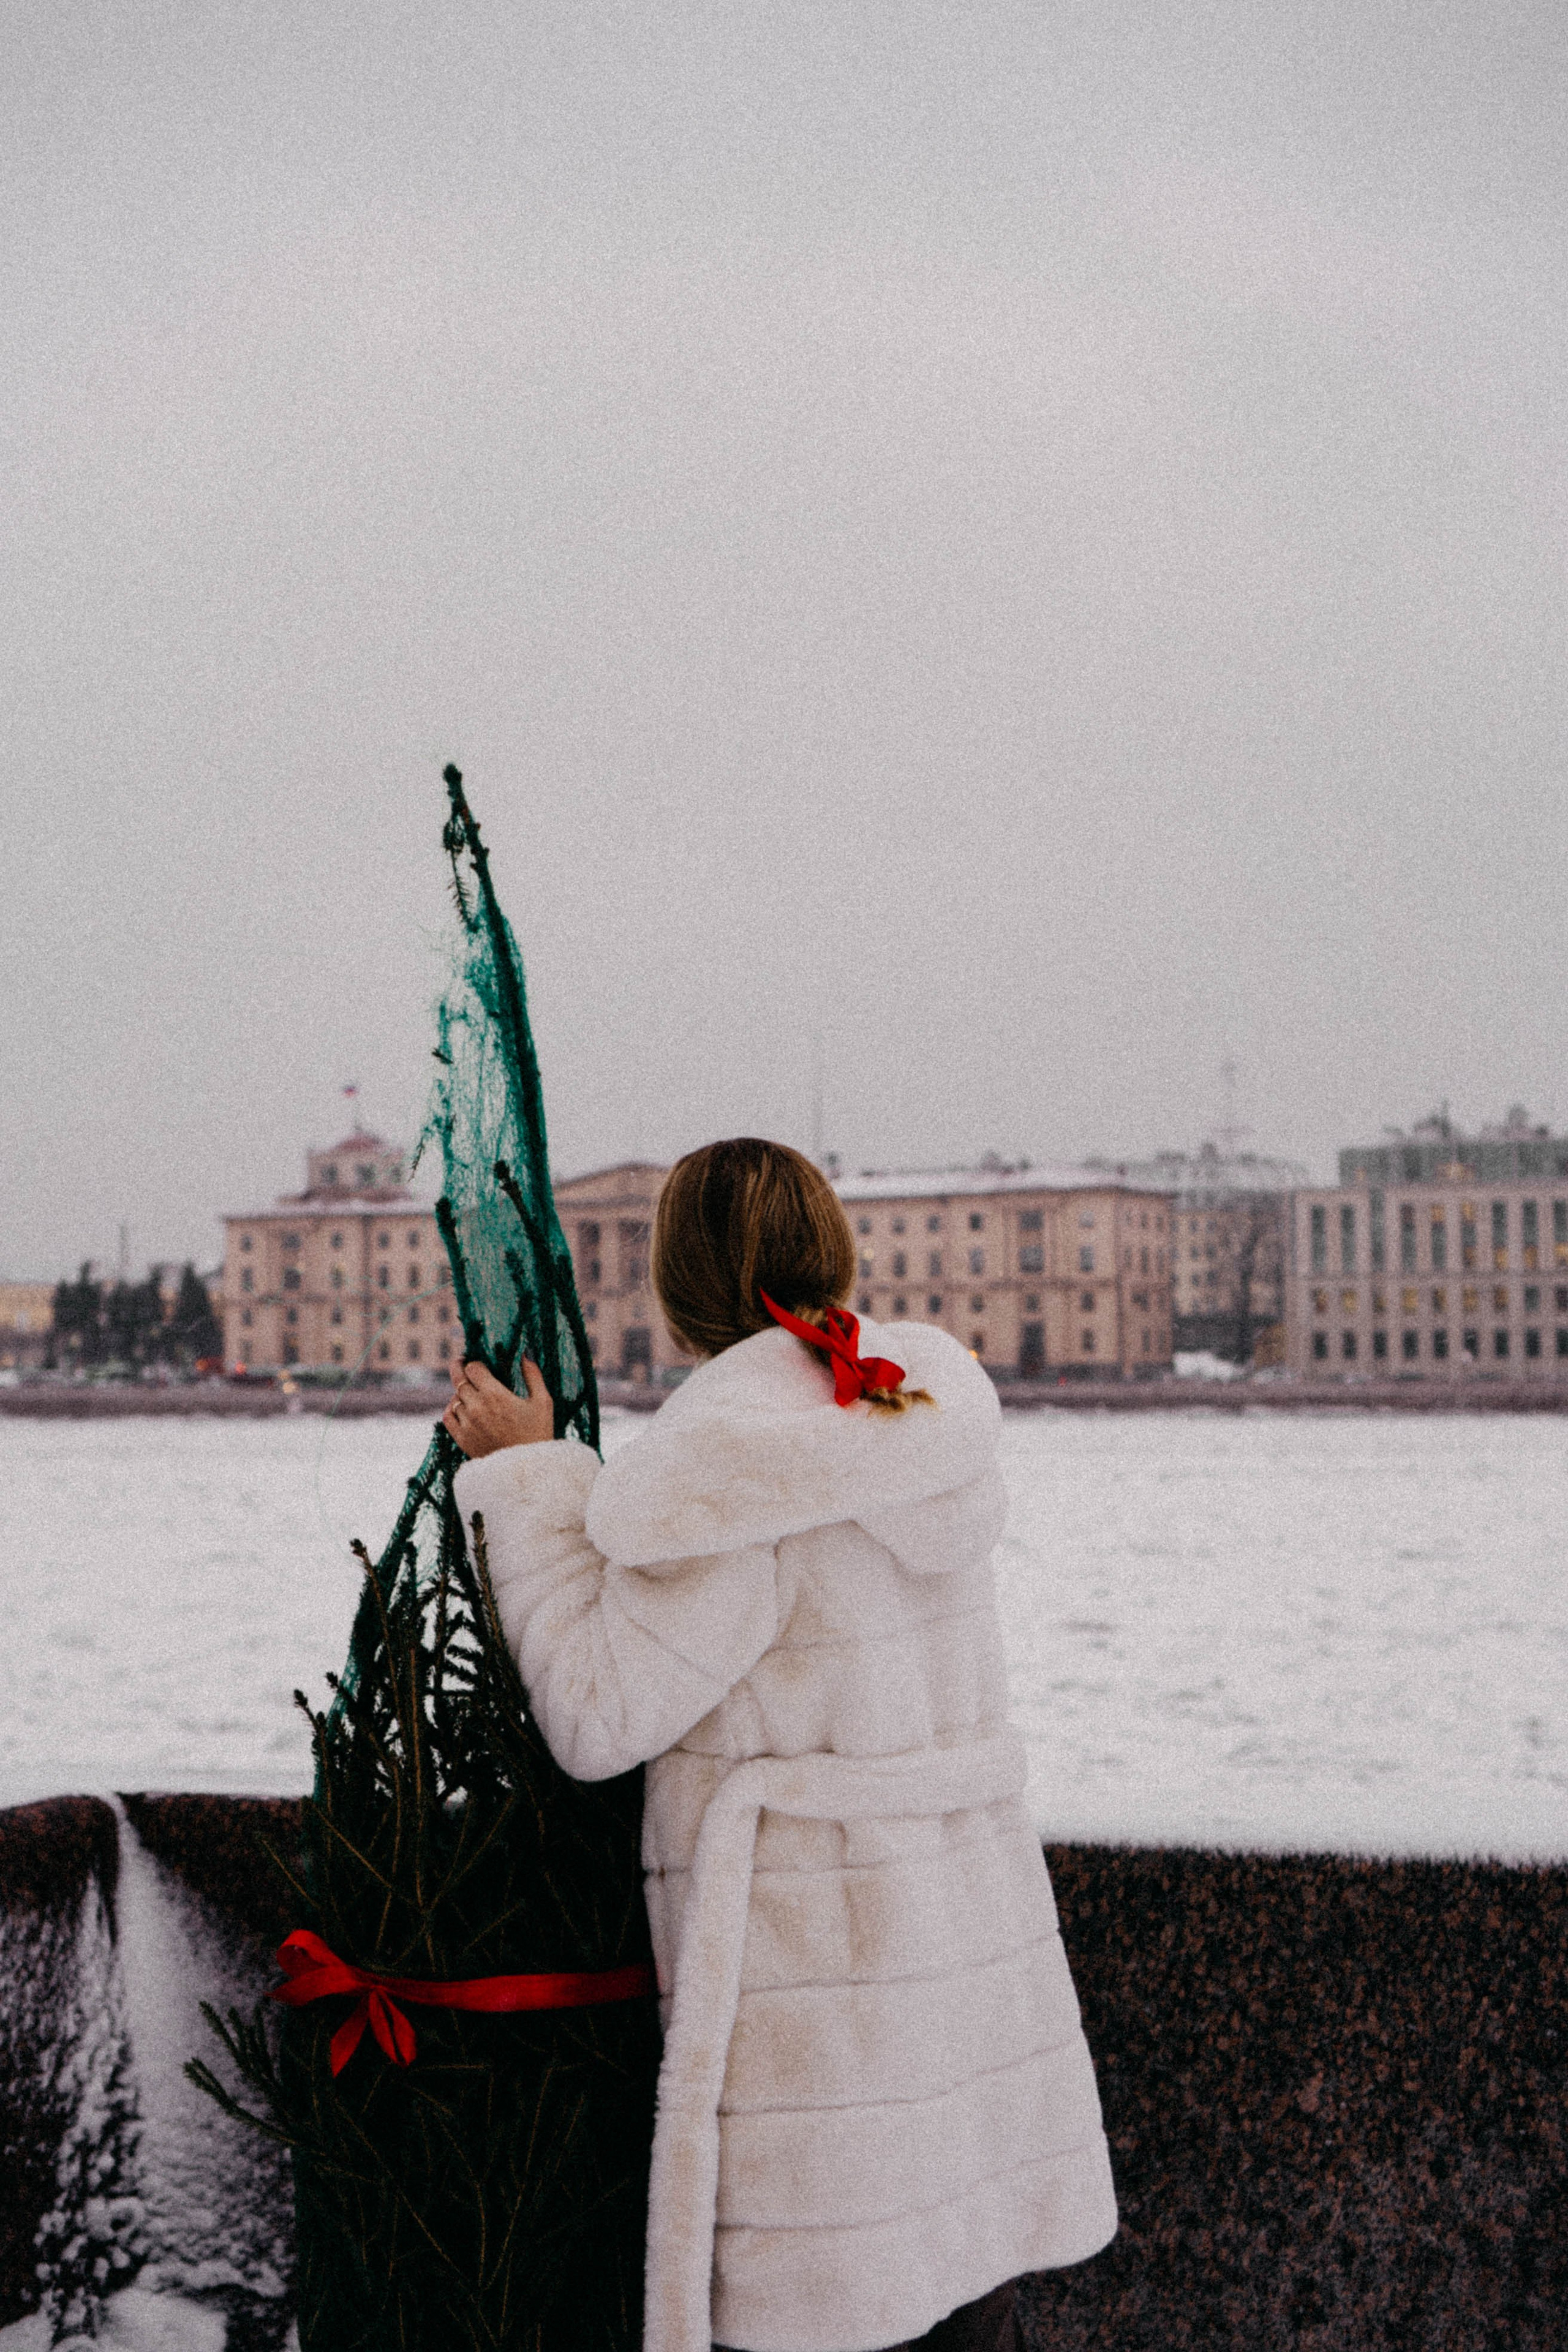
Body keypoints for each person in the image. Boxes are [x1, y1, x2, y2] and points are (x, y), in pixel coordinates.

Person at [443, 1137, 1117, 2352]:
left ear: (678, 1283)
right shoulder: (903, 1414)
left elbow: (598, 1719)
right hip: (964, 1990)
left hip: (821, 2013)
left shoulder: (728, 1478)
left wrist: (531, 1481)